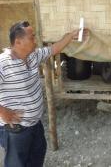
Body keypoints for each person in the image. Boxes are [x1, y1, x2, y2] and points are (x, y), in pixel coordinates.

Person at [0, 21, 82, 167]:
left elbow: (54, 49)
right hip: (16, 130)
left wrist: (71, 36)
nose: (35, 40)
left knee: (37, 156)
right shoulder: (3, 64)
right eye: (31, 38)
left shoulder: (33, 56)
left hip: (35, 124)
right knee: (16, 164)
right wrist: (3, 112)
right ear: (18, 42)